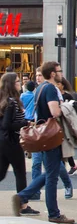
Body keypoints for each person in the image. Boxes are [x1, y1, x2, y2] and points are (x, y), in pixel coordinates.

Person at [12, 62, 75, 224]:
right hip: (51, 135)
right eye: (59, 71)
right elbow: (54, 112)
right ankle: (53, 213)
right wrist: (66, 107)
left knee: (50, 172)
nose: (61, 73)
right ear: (53, 73)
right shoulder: (50, 88)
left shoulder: (40, 88)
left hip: (44, 134)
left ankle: (23, 196)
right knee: (52, 176)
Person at [0, 73, 39, 216]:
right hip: (12, 141)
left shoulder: (5, 101)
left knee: (2, 172)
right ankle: (23, 205)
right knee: (20, 173)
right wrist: (26, 123)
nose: (20, 83)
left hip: (3, 142)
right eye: (17, 81)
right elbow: (7, 125)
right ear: (11, 84)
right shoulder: (12, 102)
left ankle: (23, 204)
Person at [58, 78, 77, 175]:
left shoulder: (67, 96)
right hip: (56, 125)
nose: (56, 86)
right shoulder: (53, 95)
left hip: (65, 125)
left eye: (58, 84)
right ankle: (69, 167)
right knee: (62, 148)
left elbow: (76, 109)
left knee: (65, 146)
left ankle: (68, 167)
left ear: (62, 85)